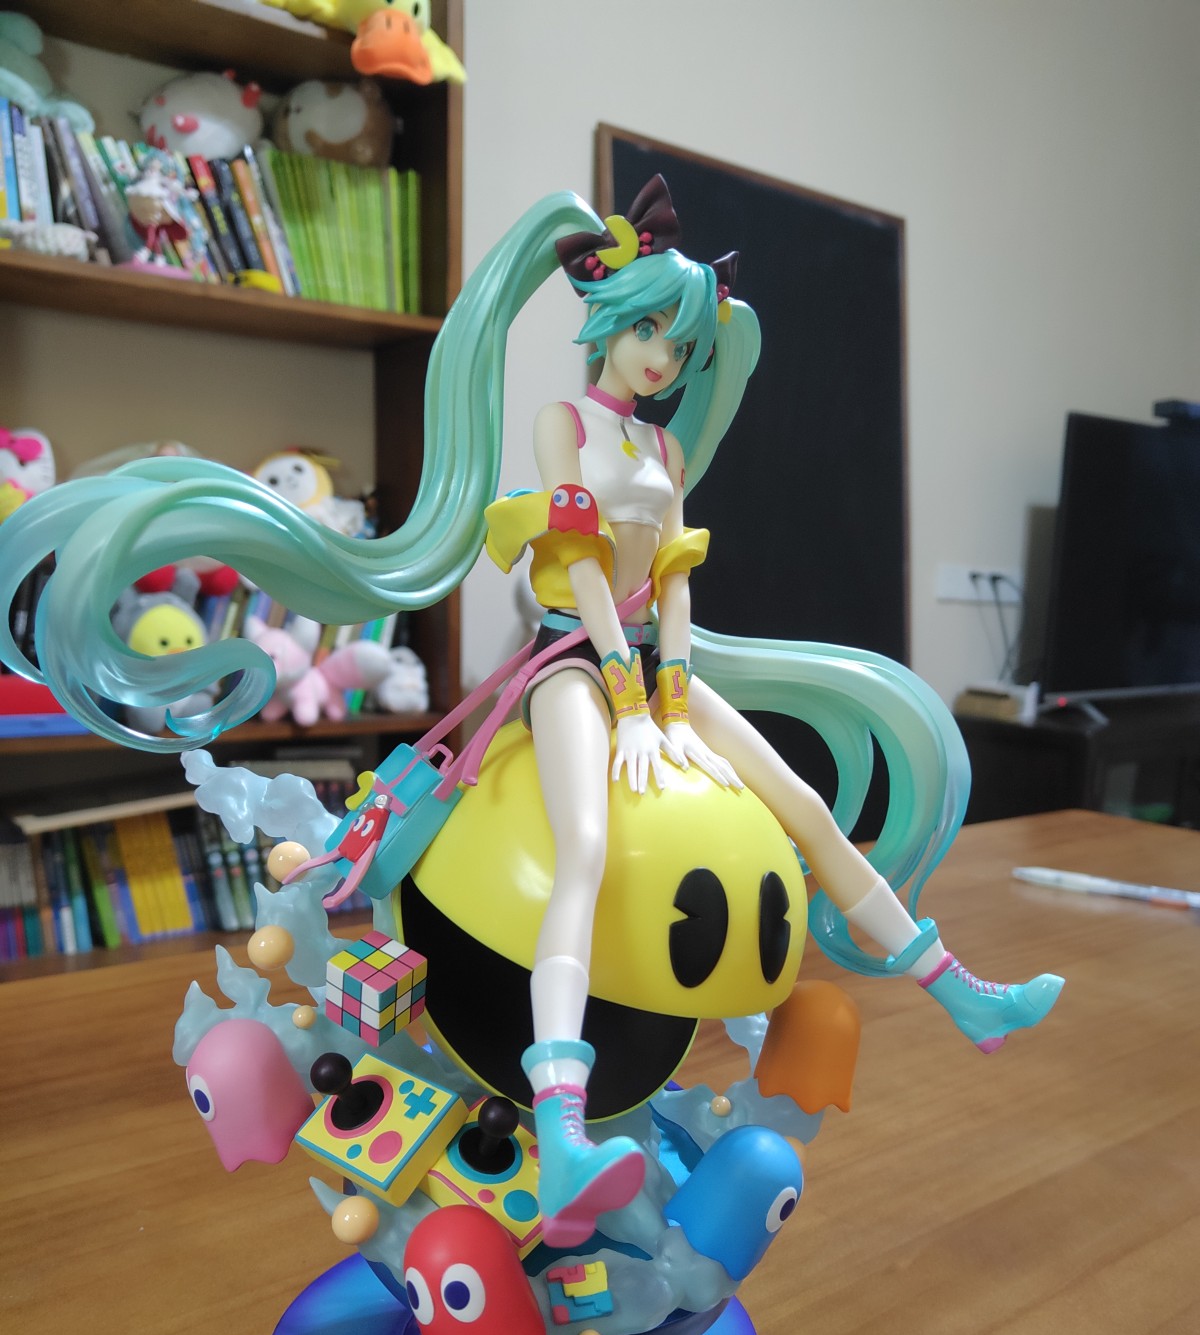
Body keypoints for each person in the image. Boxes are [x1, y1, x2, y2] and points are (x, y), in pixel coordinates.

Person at [0, 178, 1062, 1245]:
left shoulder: (666, 452)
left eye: (680, 344)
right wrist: (627, 697)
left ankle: (961, 991)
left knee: (806, 806)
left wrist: (671, 693)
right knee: (585, 848)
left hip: (654, 668)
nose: (662, 358)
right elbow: (581, 565)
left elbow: (675, 578)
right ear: (607, 322)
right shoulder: (567, 426)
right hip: (570, 662)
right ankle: (561, 1121)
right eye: (647, 330)